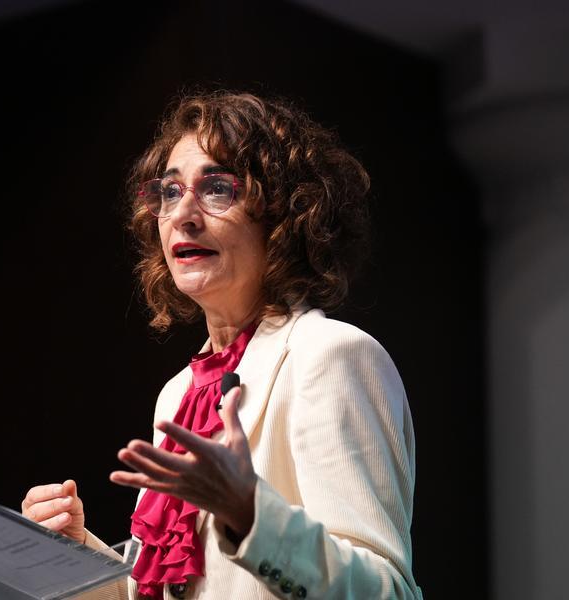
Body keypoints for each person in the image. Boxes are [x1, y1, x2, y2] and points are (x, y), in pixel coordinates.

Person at [22, 91, 423, 599]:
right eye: (170, 192)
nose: (183, 214)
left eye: (216, 189)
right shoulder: (179, 394)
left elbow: (386, 591)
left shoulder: (329, 355)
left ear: (282, 216)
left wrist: (250, 514)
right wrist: (74, 553)